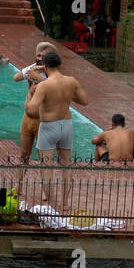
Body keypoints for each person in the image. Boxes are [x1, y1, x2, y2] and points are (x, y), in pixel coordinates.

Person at [24, 50, 89, 212]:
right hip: (66, 124)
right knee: (66, 165)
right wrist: (64, 95)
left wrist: (29, 92)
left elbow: (31, 110)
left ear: (44, 66)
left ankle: (51, 204)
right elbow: (84, 101)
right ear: (60, 64)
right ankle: (65, 203)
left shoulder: (44, 85)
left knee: (47, 167)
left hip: (49, 125)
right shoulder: (71, 81)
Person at [13, 40, 58, 176]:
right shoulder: (33, 69)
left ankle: (46, 190)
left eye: (42, 57)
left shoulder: (54, 74)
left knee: (43, 156)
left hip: (43, 120)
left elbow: (57, 92)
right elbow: (16, 78)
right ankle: (17, 186)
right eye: (38, 56)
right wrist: (30, 69)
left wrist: (40, 78)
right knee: (23, 153)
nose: (39, 59)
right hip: (27, 118)